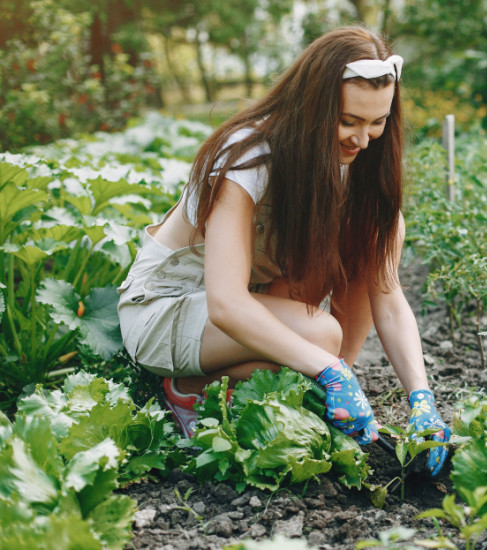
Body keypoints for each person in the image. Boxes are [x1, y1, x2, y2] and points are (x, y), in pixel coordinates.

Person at [117, 26, 450, 475]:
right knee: (321, 335)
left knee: (372, 234)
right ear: (313, 108)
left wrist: (422, 400)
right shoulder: (246, 158)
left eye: (377, 122)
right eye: (348, 121)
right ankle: (186, 387)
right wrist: (328, 368)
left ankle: (326, 406)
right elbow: (227, 305)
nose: (363, 139)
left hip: (249, 307)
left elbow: (387, 300)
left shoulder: (354, 168)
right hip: (168, 308)